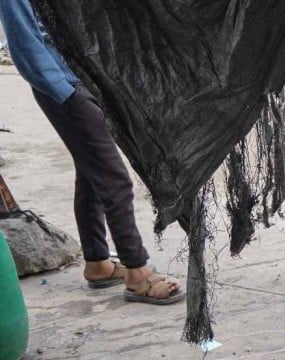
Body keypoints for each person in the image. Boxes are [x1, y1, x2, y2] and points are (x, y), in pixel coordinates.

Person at [0, 0, 183, 304]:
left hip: (81, 76)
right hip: (62, 86)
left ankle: (97, 262)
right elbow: (23, 44)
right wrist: (66, 92)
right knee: (114, 178)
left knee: (91, 170)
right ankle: (137, 272)